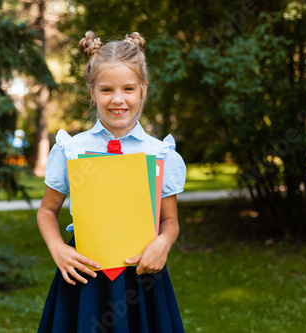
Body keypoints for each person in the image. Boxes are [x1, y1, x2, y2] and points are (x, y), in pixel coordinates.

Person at [37, 30, 186, 333]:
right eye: (106, 90)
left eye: (128, 88)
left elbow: (170, 220)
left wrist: (165, 242)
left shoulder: (160, 152)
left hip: (142, 276)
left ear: (143, 89)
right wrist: (57, 248)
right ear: (92, 92)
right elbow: (47, 211)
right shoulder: (71, 149)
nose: (118, 99)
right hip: (85, 275)